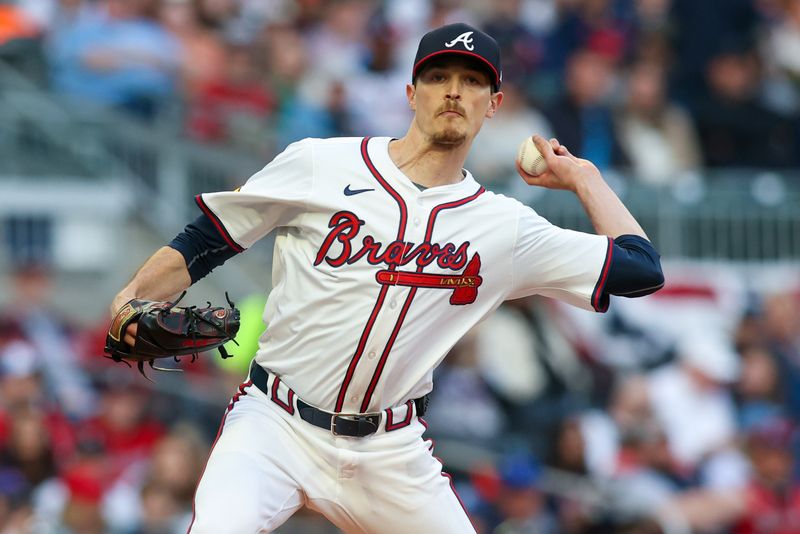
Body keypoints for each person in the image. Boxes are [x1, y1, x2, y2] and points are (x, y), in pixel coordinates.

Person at [109, 22, 664, 533]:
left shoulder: (504, 227)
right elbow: (205, 241)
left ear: (493, 105)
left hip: (389, 450)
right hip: (274, 422)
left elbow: (640, 269)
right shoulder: (321, 164)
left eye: (472, 81)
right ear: (410, 92)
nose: (453, 90)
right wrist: (131, 296)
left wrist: (586, 179)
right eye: (438, 75)